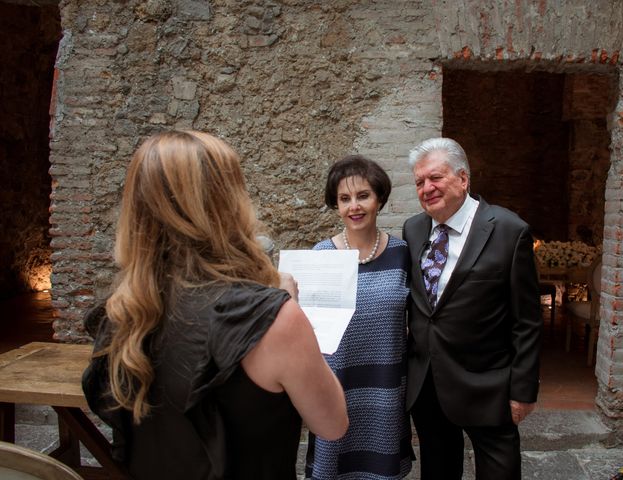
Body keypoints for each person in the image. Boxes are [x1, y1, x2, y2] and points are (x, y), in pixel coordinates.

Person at [81, 130, 348, 480]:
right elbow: (332, 424)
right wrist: (292, 310)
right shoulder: (274, 319)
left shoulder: (121, 312)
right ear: (227, 204)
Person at [402, 138, 542, 480]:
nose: (427, 188)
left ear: (463, 179)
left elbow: (527, 320)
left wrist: (522, 391)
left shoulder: (510, 231)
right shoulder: (413, 229)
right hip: (428, 385)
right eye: (419, 182)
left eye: (435, 178)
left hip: (488, 385)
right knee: (438, 470)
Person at [305, 155, 413, 480]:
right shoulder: (321, 257)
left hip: (386, 389)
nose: (354, 206)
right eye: (344, 198)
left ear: (379, 198)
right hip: (337, 388)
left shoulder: (403, 253)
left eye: (363, 195)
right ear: (336, 205)